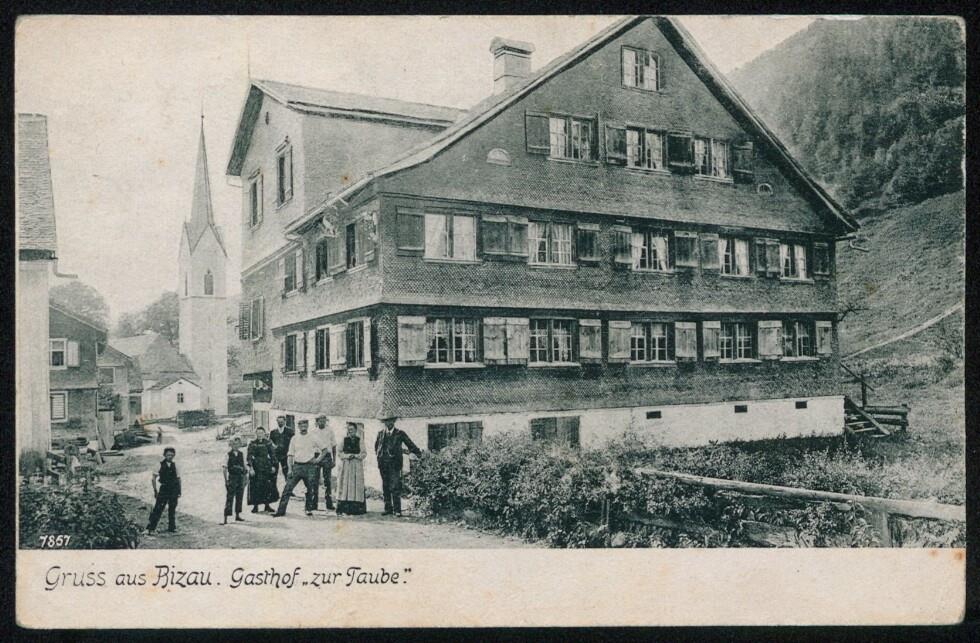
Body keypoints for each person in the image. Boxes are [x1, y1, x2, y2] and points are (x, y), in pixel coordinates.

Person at [273, 420, 322, 518]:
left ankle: (308, 509)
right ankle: (280, 511)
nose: (303, 427)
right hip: (297, 466)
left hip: (309, 466)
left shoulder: (313, 437)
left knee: (310, 489)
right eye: (301, 425)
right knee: (287, 489)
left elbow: (324, 449)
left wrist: (317, 460)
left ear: (307, 426)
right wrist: (290, 469)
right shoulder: (294, 438)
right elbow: (290, 455)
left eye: (305, 425)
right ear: (298, 426)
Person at [374, 416, 422, 517]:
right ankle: (388, 509)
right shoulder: (381, 434)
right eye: (386, 421)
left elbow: (410, 444)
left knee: (395, 486)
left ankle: (397, 510)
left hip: (395, 464)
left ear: (394, 421)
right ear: (384, 423)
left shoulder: (400, 433)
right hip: (383, 464)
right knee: (385, 486)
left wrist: (418, 453)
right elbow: (377, 447)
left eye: (390, 421)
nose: (388, 423)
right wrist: (379, 457)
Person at [147, 447, 181, 533]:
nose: (170, 457)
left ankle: (172, 528)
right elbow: (153, 479)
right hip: (164, 489)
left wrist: (179, 491)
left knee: (172, 509)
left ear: (174, 455)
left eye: (172, 455)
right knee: (158, 508)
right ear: (164, 455)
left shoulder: (175, 465)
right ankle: (151, 528)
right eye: (168, 455)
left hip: (174, 489)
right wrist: (155, 490)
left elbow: (178, 479)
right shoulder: (159, 465)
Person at [336, 422, 367, 515]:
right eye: (349, 430)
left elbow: (364, 453)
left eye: (352, 429)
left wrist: (356, 456)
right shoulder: (344, 440)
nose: (350, 431)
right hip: (346, 465)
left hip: (356, 465)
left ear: (356, 430)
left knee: (356, 485)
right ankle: (344, 507)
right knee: (345, 484)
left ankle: (356, 508)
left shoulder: (360, 440)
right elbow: (339, 452)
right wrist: (346, 456)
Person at [247, 427, 279, 513]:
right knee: (255, 486)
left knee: (267, 486)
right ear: (256, 434)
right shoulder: (252, 443)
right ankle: (255, 506)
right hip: (256, 467)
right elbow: (249, 456)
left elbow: (273, 455)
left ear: (264, 434)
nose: (260, 435)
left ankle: (267, 505)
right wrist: (251, 468)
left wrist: (273, 466)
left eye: (261, 433)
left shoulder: (268, 443)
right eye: (258, 433)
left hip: (266, 467)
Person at [222, 437, 247, 524]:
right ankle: (225, 518)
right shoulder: (228, 455)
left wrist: (245, 478)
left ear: (240, 445)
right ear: (231, 445)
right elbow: (224, 468)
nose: (236, 446)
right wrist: (226, 480)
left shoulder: (241, 454)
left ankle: (237, 515)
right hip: (232, 478)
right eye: (234, 444)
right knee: (230, 497)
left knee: (239, 496)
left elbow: (244, 466)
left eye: (238, 444)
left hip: (240, 478)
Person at [315, 415, 336, 511]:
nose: (322, 422)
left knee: (327, 480)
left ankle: (329, 503)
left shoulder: (330, 431)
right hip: (316, 455)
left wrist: (334, 460)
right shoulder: (313, 431)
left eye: (324, 420)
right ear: (317, 421)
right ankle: (313, 503)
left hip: (327, 456)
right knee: (315, 480)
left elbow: (334, 445)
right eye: (320, 420)